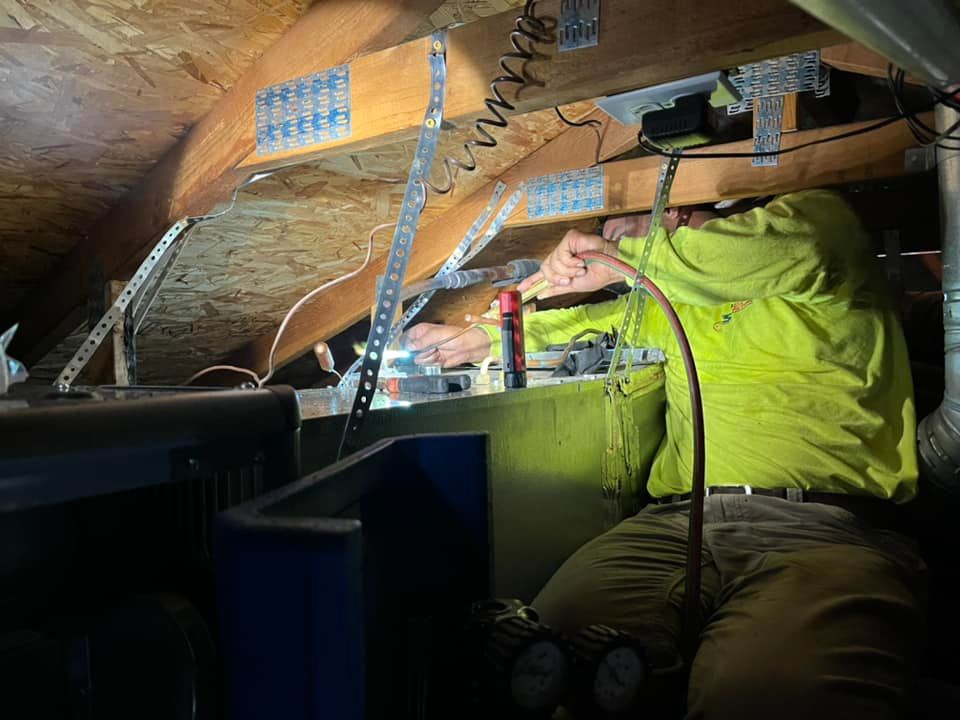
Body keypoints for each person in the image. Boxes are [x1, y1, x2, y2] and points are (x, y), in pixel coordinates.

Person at [403, 190, 925, 718]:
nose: (607, 239)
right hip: (673, 526)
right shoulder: (666, 308)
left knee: (769, 695)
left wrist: (621, 260)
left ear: (672, 209)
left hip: (821, 532)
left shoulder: (817, 225)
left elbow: (775, 250)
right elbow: (585, 324)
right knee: (545, 654)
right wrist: (480, 339)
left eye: (614, 227)